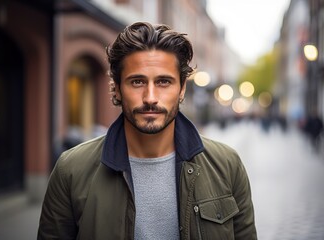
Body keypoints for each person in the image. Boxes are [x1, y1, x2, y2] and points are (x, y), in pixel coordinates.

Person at [38, 22, 257, 240]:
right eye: (137, 82)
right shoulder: (71, 170)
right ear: (117, 88)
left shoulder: (227, 165)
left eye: (163, 81)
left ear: (181, 89)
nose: (150, 97)